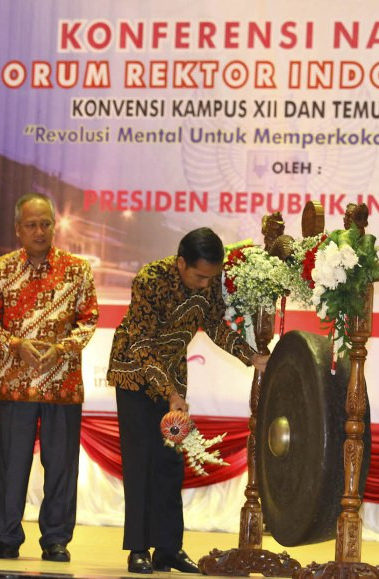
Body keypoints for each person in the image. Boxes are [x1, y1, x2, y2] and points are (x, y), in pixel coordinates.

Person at [107, 227, 269, 574]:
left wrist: (251, 356)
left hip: (173, 379)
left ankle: (168, 549)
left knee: (170, 464)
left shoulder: (209, 281)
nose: (205, 284)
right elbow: (142, 344)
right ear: (181, 263)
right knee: (141, 462)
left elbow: (215, 326)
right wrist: (170, 393)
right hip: (134, 374)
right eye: (199, 276)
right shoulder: (150, 279)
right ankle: (138, 549)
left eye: (210, 278)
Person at [0, 193, 98, 562]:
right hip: (16, 385)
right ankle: (5, 538)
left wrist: (62, 349)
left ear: (54, 225)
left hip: (63, 384)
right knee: (11, 465)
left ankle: (56, 539)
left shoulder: (77, 269)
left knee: (61, 467)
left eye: (46, 223)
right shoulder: (1, 269)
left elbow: (89, 321)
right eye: (31, 225)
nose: (40, 231)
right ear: (18, 229)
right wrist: (16, 345)